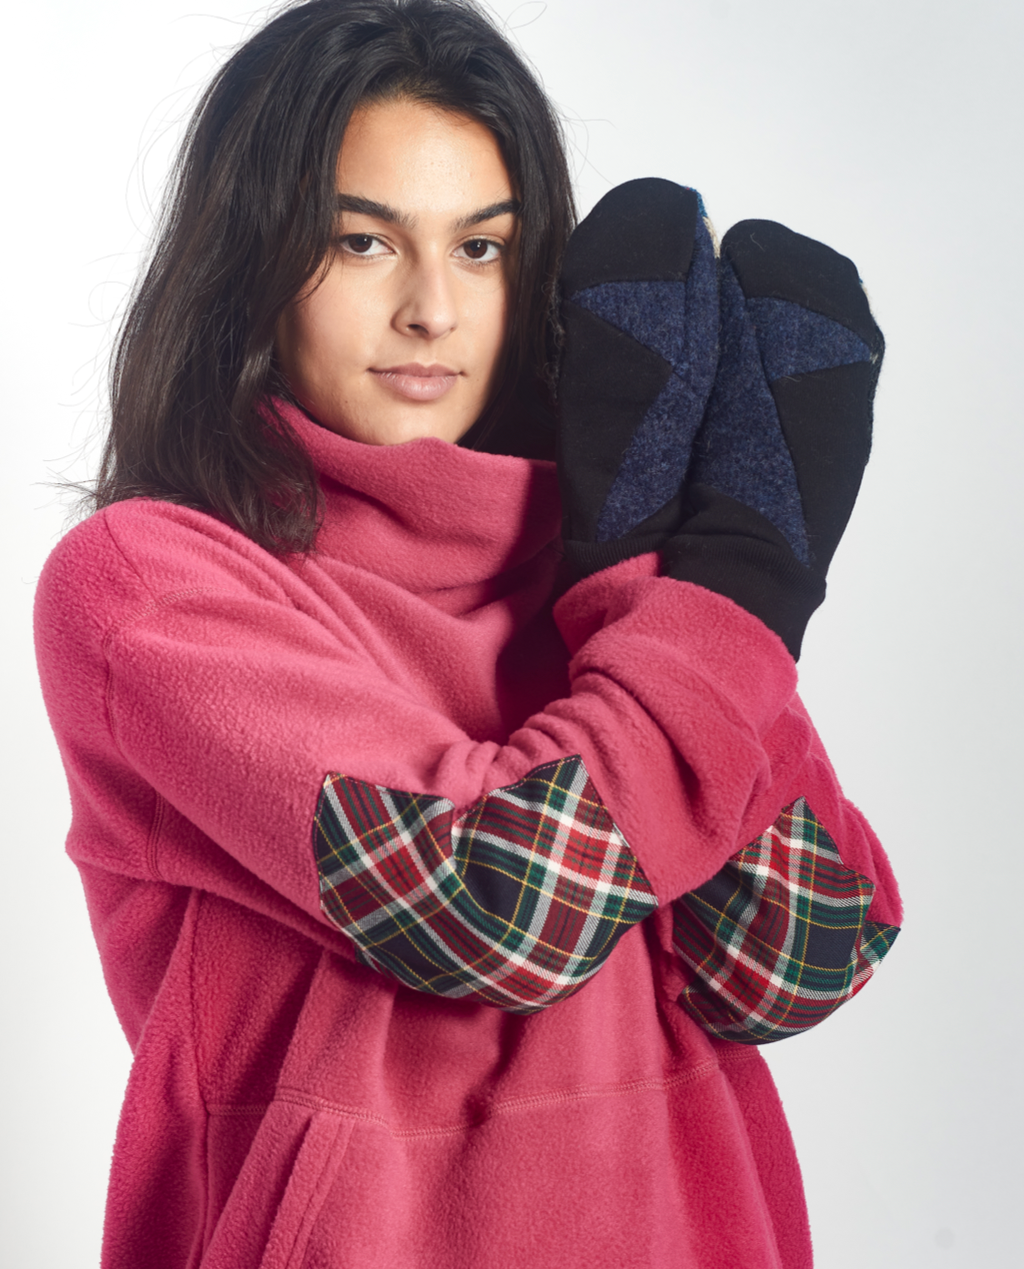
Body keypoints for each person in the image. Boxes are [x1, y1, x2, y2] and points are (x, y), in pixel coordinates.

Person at [33, 1, 901, 1265]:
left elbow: (793, 958)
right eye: (362, 242)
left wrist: (630, 570)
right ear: (250, 263)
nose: (433, 309)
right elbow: (493, 907)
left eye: (483, 249)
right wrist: (747, 573)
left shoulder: (638, 602)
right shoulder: (150, 584)